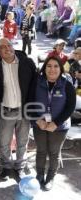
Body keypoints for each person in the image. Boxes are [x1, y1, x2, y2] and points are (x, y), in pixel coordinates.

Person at [0, 38, 37, 180]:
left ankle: (20, 166)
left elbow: (34, 85)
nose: (7, 48)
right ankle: (6, 167)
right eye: (3, 47)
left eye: (9, 45)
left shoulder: (27, 62)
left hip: (23, 110)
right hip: (5, 110)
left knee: (22, 141)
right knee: (4, 142)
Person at [33, 56, 76, 191]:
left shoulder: (66, 84)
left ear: (61, 68)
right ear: (44, 68)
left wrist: (56, 123)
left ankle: (50, 177)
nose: (52, 69)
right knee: (41, 151)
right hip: (40, 124)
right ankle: (39, 175)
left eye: (56, 66)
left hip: (60, 126)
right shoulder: (36, 82)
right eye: (49, 66)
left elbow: (70, 106)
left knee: (54, 153)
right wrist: (37, 120)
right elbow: (28, 101)